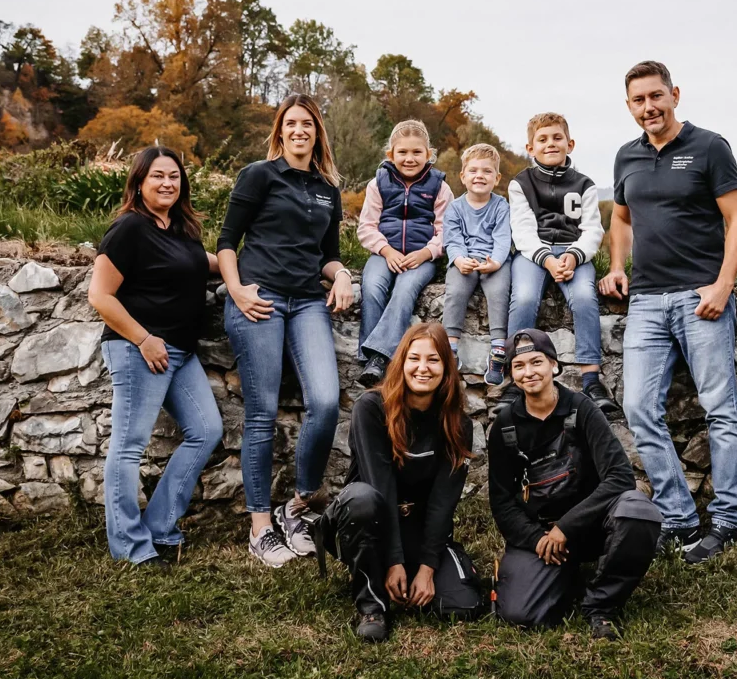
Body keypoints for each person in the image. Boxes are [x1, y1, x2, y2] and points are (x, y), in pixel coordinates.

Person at [599, 61, 737, 563]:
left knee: (720, 409)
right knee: (640, 408)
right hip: (645, 299)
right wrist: (617, 265)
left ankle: (727, 518)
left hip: (701, 298)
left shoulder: (709, 147)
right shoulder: (626, 157)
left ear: (675, 95)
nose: (649, 107)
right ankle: (680, 517)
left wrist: (723, 285)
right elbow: (620, 219)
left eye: (656, 96)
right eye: (639, 100)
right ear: (629, 106)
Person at [216, 93, 355, 567]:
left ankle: (296, 507)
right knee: (261, 412)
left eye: (308, 124)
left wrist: (342, 275)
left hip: (307, 303)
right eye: (291, 123)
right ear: (280, 131)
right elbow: (226, 241)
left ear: (318, 132)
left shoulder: (327, 190)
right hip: (260, 300)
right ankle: (259, 527)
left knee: (326, 401)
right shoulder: (258, 174)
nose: (300, 131)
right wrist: (236, 290)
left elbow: (328, 255)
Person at [88, 146, 222, 566]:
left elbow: (214, 264)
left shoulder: (180, 230)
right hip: (138, 349)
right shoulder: (129, 229)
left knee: (206, 430)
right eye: (158, 176)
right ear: (140, 182)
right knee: (128, 448)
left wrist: (267, 268)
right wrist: (144, 338)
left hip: (180, 351)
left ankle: (160, 526)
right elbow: (100, 295)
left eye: (174, 176)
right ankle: (129, 546)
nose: (167, 183)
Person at [489, 328, 662, 641]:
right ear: (512, 374)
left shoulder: (583, 409)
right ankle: (563, 574)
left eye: (536, 362)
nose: (529, 372)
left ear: (554, 365)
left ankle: (600, 606)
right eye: (519, 366)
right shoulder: (505, 425)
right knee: (521, 614)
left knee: (638, 512)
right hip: (541, 532)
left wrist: (567, 527)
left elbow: (620, 476)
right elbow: (501, 501)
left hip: (591, 527)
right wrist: (536, 538)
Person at [321, 323, 481, 642]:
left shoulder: (458, 423)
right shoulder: (372, 408)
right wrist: (394, 561)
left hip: (417, 524)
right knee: (364, 499)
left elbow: (442, 502)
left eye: (433, 360)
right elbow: (379, 484)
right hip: (367, 520)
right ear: (401, 363)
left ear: (447, 368)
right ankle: (372, 606)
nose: (423, 368)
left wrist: (426, 568)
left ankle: (414, 570)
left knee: (462, 606)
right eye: (414, 358)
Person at [507, 112, 619, 414]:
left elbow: (593, 229)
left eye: (557, 138)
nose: (550, 144)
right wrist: (547, 259)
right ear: (530, 148)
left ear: (570, 143)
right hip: (534, 254)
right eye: (542, 139)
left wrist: (573, 255)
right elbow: (523, 230)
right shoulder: (521, 183)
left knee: (584, 297)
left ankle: (591, 378)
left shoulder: (585, 184)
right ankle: (512, 375)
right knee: (525, 297)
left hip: (574, 250)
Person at [356, 120, 455, 387]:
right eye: (402, 153)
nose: (409, 159)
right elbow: (366, 227)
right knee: (373, 285)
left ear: (428, 154)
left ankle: (378, 358)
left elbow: (447, 230)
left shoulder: (440, 187)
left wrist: (426, 253)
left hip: (421, 257)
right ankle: (368, 356)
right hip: (384, 253)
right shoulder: (377, 184)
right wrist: (386, 251)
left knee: (405, 288)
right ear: (391, 155)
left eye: (416, 153)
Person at [441, 143, 512, 385]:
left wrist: (496, 262)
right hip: (465, 260)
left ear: (497, 177)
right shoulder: (455, 208)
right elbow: (452, 240)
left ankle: (498, 350)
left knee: (499, 292)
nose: (479, 176)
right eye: (473, 171)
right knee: (456, 291)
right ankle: (450, 347)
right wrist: (460, 260)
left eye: (486, 171)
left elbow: (503, 239)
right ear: (462, 176)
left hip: (493, 260)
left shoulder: (501, 206)